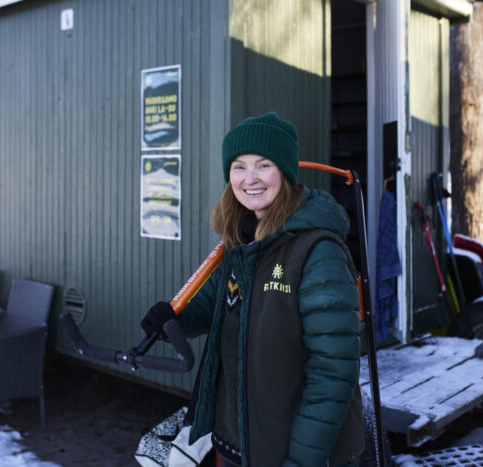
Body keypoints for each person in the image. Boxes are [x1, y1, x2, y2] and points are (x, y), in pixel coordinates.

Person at [142, 112, 365, 466]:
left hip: (289, 453)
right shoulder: (240, 243)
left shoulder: (318, 252)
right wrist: (172, 321)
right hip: (236, 444)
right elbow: (216, 306)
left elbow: (333, 375)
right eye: (239, 167)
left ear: (285, 173)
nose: (250, 179)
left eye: (263, 165)